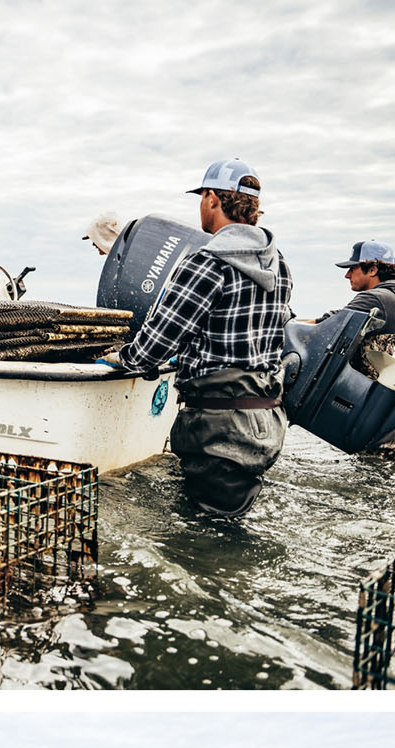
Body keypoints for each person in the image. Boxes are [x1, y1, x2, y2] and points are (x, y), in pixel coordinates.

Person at [111, 159, 293, 518]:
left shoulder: (207, 262)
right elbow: (254, 338)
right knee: (230, 523)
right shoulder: (279, 265)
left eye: (202, 197)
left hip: (219, 429)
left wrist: (122, 358)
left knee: (206, 535)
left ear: (212, 199)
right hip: (263, 424)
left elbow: (155, 345)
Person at [315, 241, 395, 333]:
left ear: (372, 270)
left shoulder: (376, 298)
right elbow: (344, 314)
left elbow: (329, 326)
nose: (347, 275)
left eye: (352, 268)